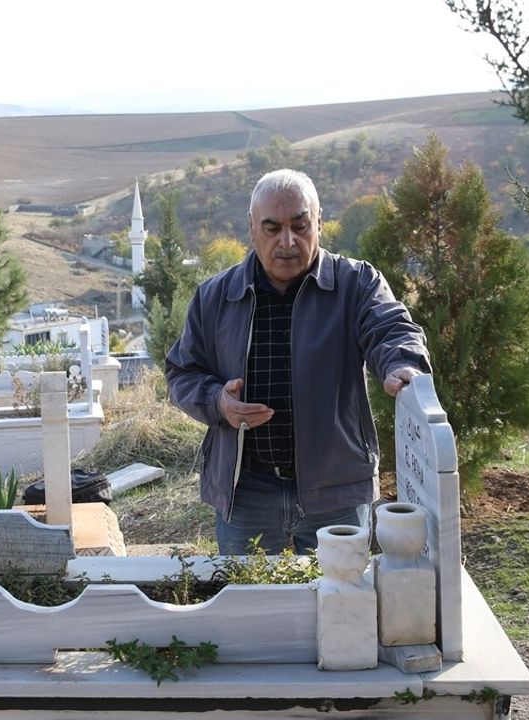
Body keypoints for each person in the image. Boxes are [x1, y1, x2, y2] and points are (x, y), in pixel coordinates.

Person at [164, 169, 431, 555]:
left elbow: (391, 329)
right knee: (250, 601)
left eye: (300, 226)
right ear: (251, 228)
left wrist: (402, 365)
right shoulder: (215, 296)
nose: (287, 242)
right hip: (246, 489)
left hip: (335, 486)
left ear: (319, 223)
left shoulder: (355, 283)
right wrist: (217, 401)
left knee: (341, 602)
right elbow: (182, 371)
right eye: (271, 229)